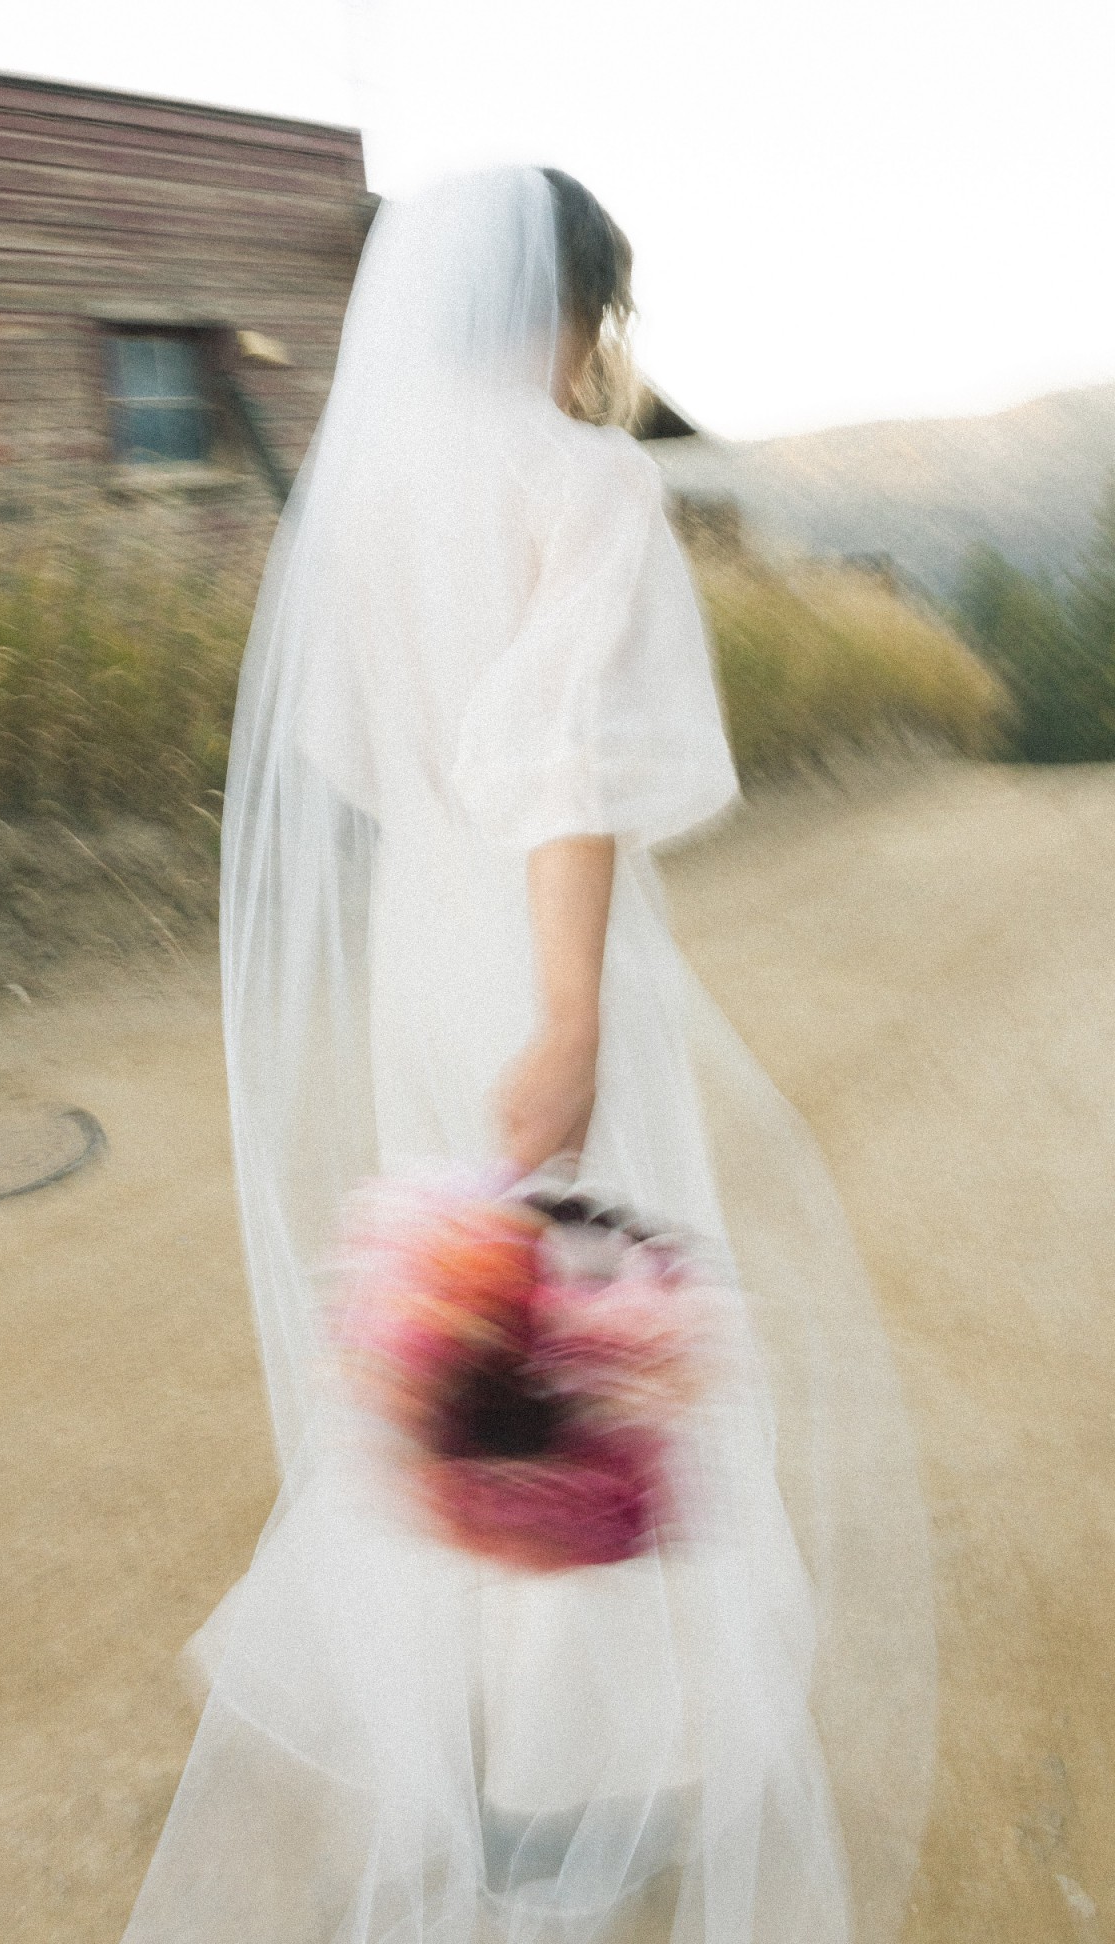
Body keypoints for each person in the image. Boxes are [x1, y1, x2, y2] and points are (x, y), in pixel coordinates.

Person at [122, 167, 933, 1942]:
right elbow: (569, 766)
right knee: (577, 1344)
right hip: (533, 951)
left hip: (422, 939)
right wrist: (566, 1008)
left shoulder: (358, 501)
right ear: (566, 306)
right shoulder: (579, 478)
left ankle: (469, 1738)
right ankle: (553, 1782)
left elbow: (339, 742)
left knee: (468, 1340)